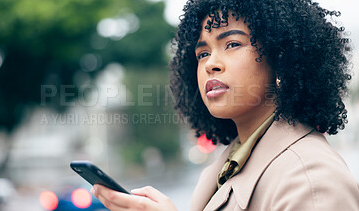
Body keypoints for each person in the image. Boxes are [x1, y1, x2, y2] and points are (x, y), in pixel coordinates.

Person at [91, 0, 359, 210]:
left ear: (280, 58)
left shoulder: (312, 180)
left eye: (232, 44)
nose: (210, 64)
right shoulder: (223, 169)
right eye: (203, 53)